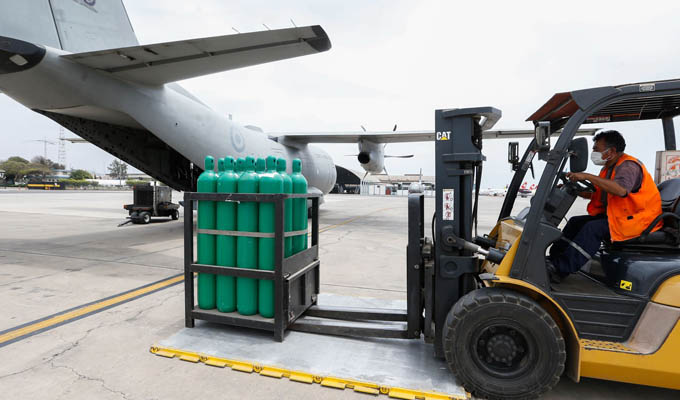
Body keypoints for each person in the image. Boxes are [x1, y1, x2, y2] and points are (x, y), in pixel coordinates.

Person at [547, 130, 662, 282]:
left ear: (611, 151)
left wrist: (588, 176)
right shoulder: (608, 168)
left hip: (638, 220)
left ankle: (560, 269)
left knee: (592, 228)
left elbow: (620, 190)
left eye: (596, 149)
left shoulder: (628, 166)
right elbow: (601, 194)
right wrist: (576, 190)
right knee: (575, 222)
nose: (593, 152)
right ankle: (554, 260)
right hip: (621, 216)